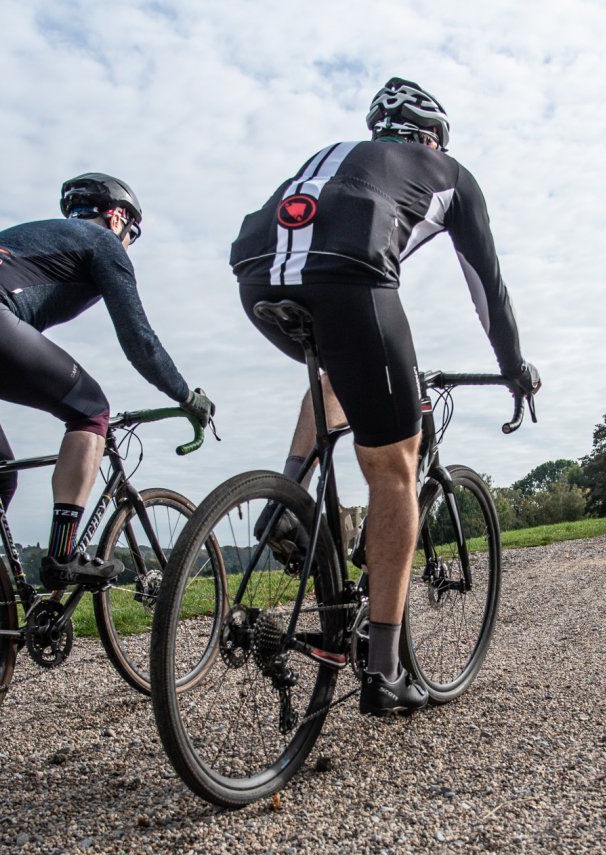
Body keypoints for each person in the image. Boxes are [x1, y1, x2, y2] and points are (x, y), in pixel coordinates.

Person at [229, 77, 539, 717]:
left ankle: (289, 497)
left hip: (257, 275)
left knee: (338, 372)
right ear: (436, 135)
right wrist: (514, 369)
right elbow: (490, 288)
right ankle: (386, 670)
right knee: (394, 466)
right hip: (352, 277)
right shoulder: (449, 173)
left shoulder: (338, 154)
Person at [0, 172, 213, 683]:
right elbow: (139, 339)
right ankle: (64, 553)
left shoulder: (32, 238)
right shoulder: (102, 242)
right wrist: (184, 394)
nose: (129, 243)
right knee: (90, 411)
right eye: (133, 232)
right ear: (118, 217)